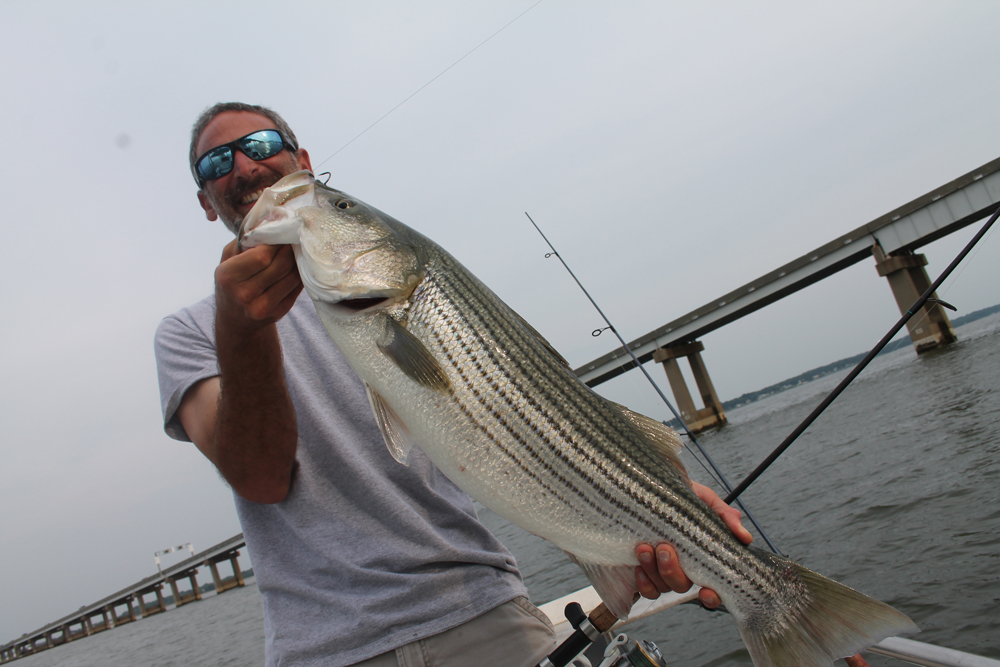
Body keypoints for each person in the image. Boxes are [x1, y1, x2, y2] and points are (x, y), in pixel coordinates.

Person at [154, 102, 752, 667]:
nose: (244, 166)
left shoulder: (430, 298)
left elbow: (536, 416)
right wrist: (243, 331)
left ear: (303, 162)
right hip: (329, 649)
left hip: (484, 611)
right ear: (207, 201)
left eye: (260, 144)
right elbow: (260, 478)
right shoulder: (189, 335)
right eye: (216, 162)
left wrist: (655, 496)